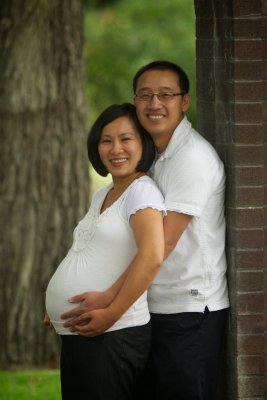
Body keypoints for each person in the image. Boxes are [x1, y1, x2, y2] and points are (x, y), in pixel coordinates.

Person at [60, 61, 229, 400]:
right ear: (135, 101)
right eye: (145, 95)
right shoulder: (152, 156)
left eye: (166, 94)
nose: (154, 104)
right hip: (153, 306)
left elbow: (161, 246)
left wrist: (109, 302)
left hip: (188, 312)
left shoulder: (191, 158)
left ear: (185, 101)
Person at [44, 102, 166, 400]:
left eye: (126, 139)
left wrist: (111, 314)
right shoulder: (104, 193)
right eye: (106, 140)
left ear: (143, 143)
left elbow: (152, 257)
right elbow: (88, 250)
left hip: (114, 333)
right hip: (83, 333)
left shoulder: (142, 191)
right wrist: (56, 304)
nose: (115, 149)